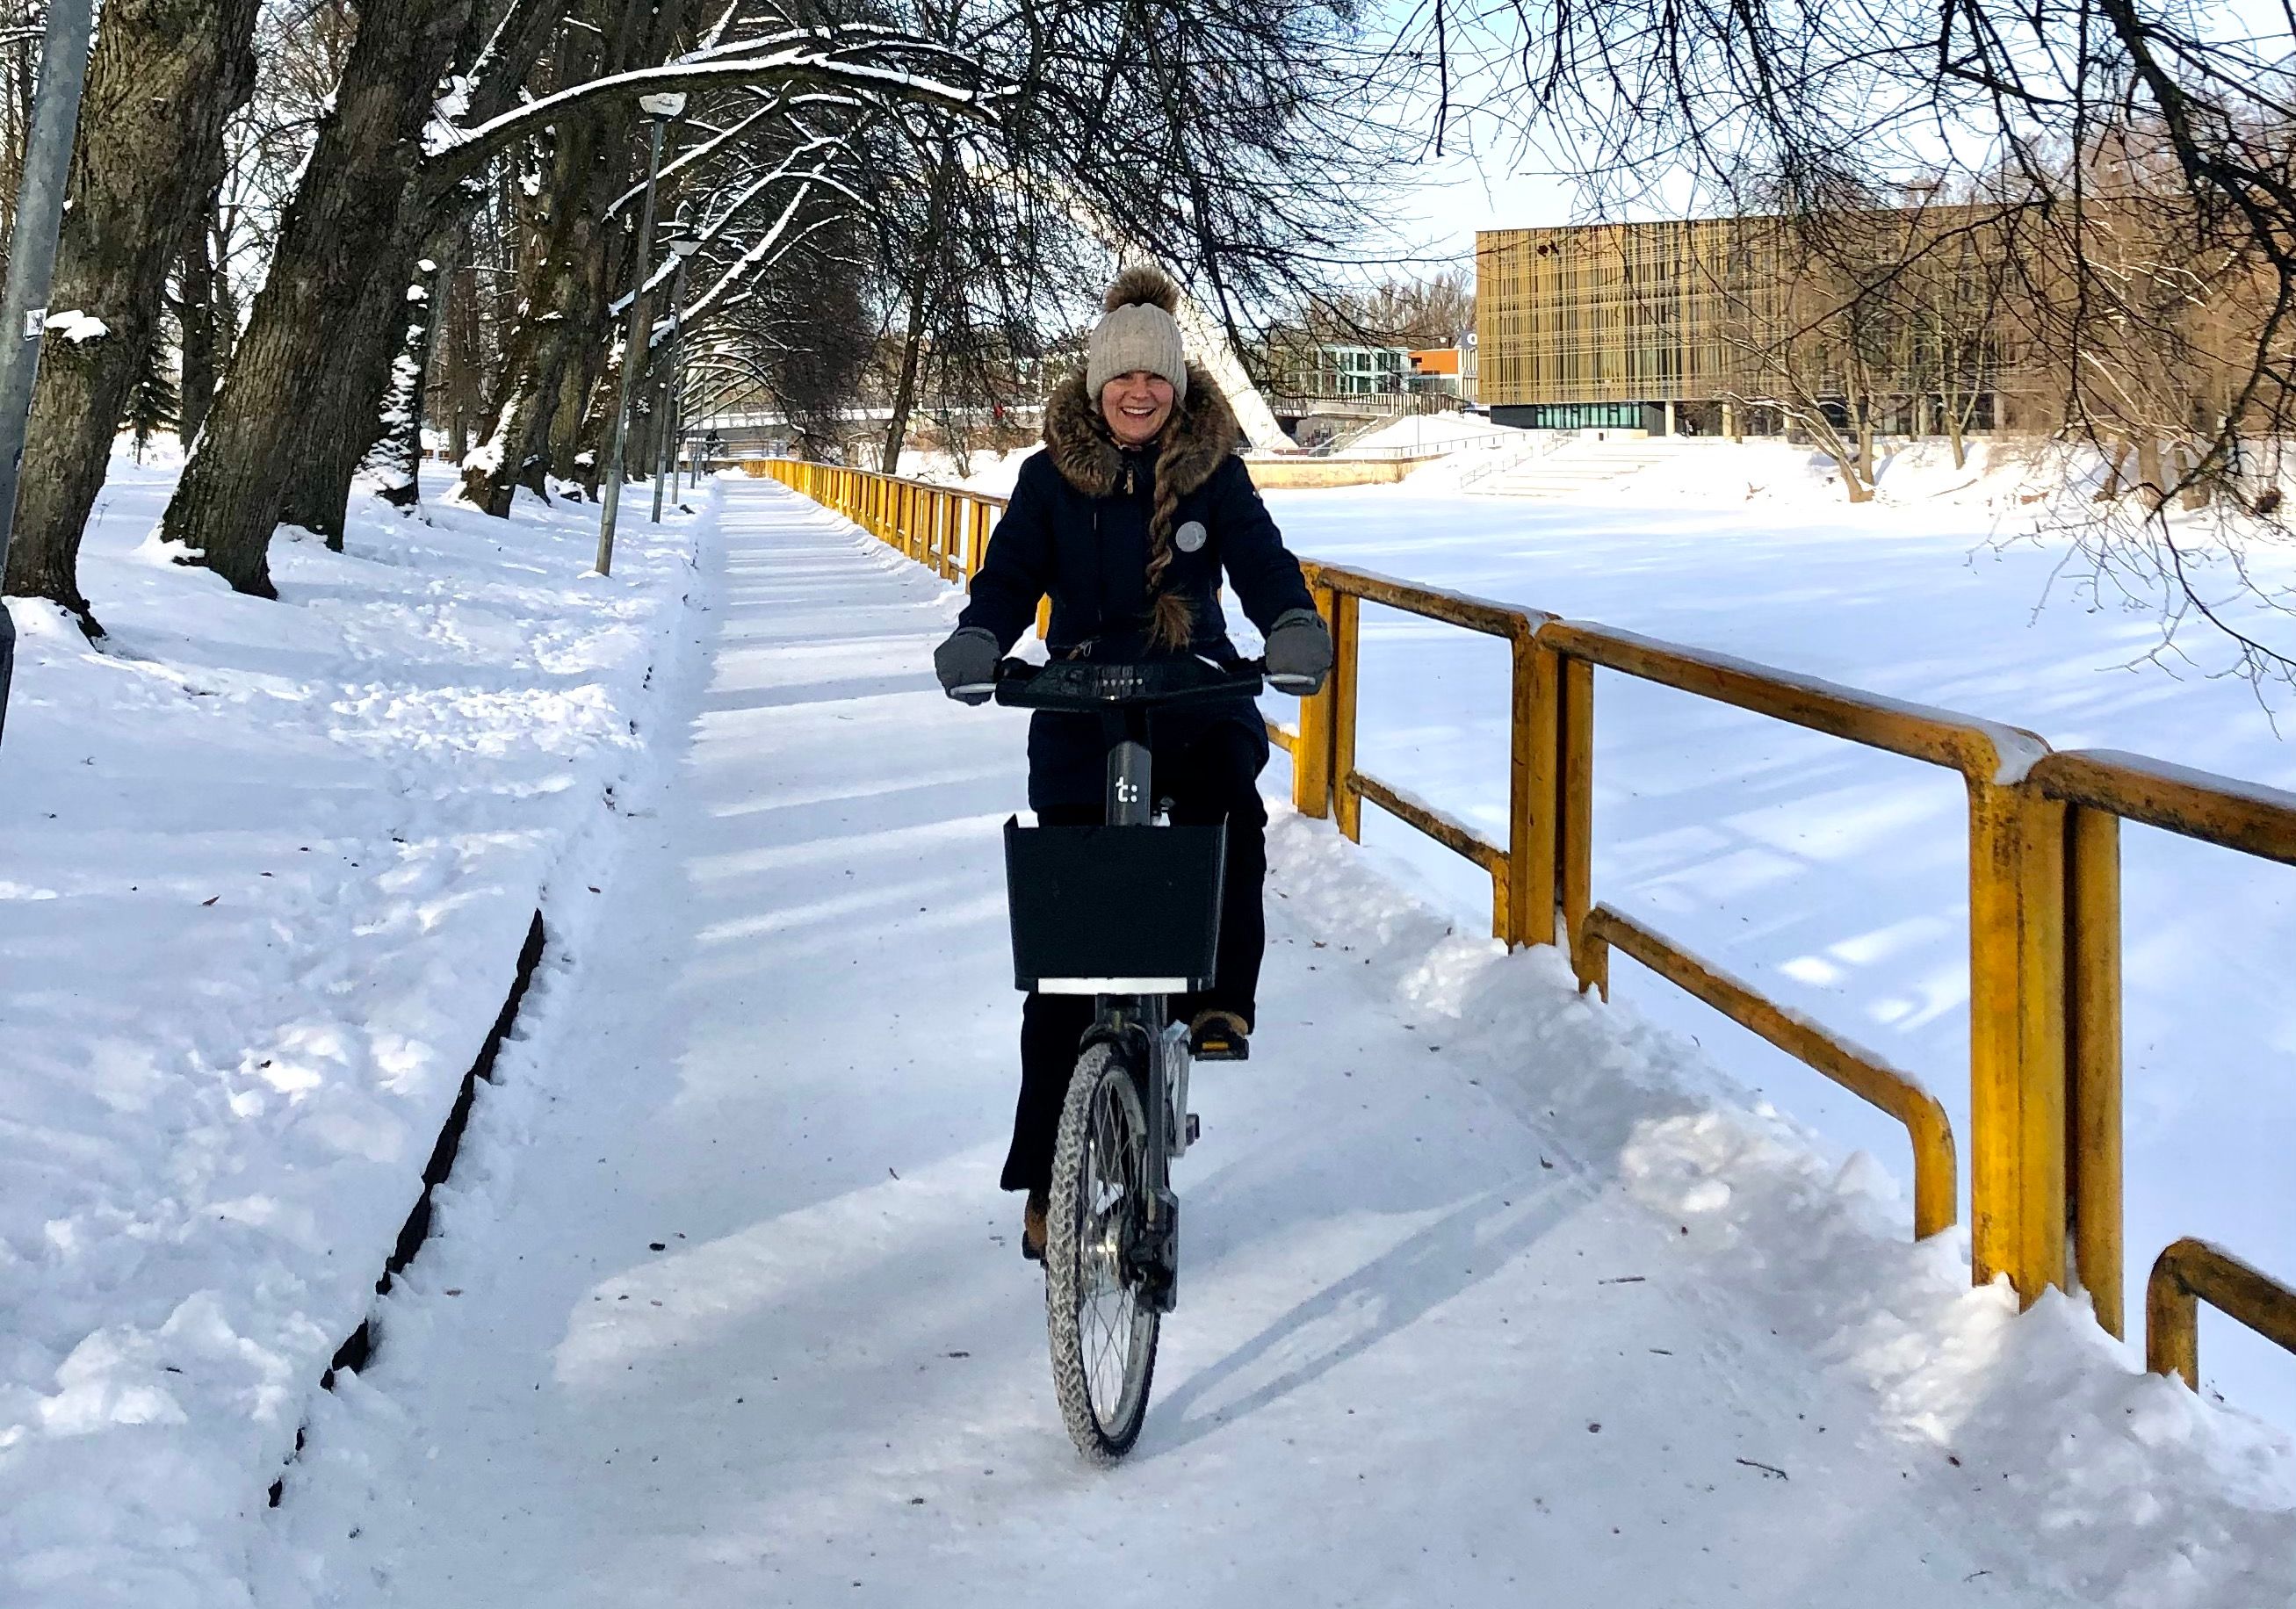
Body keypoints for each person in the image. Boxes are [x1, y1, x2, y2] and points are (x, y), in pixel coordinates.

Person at [932, 265, 1332, 1259]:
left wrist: (1288, 622)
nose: (1140, 394)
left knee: (1224, 817)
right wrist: (982, 635)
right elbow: (1009, 572)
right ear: (1098, 384)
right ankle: (1043, 1175)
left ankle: (1216, 1000)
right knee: (1067, 958)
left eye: (1156, 380)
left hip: (1189, 694)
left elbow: (1261, 560)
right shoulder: (1046, 478)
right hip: (1077, 699)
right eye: (1123, 380)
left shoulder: (1216, 472)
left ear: (1178, 386)